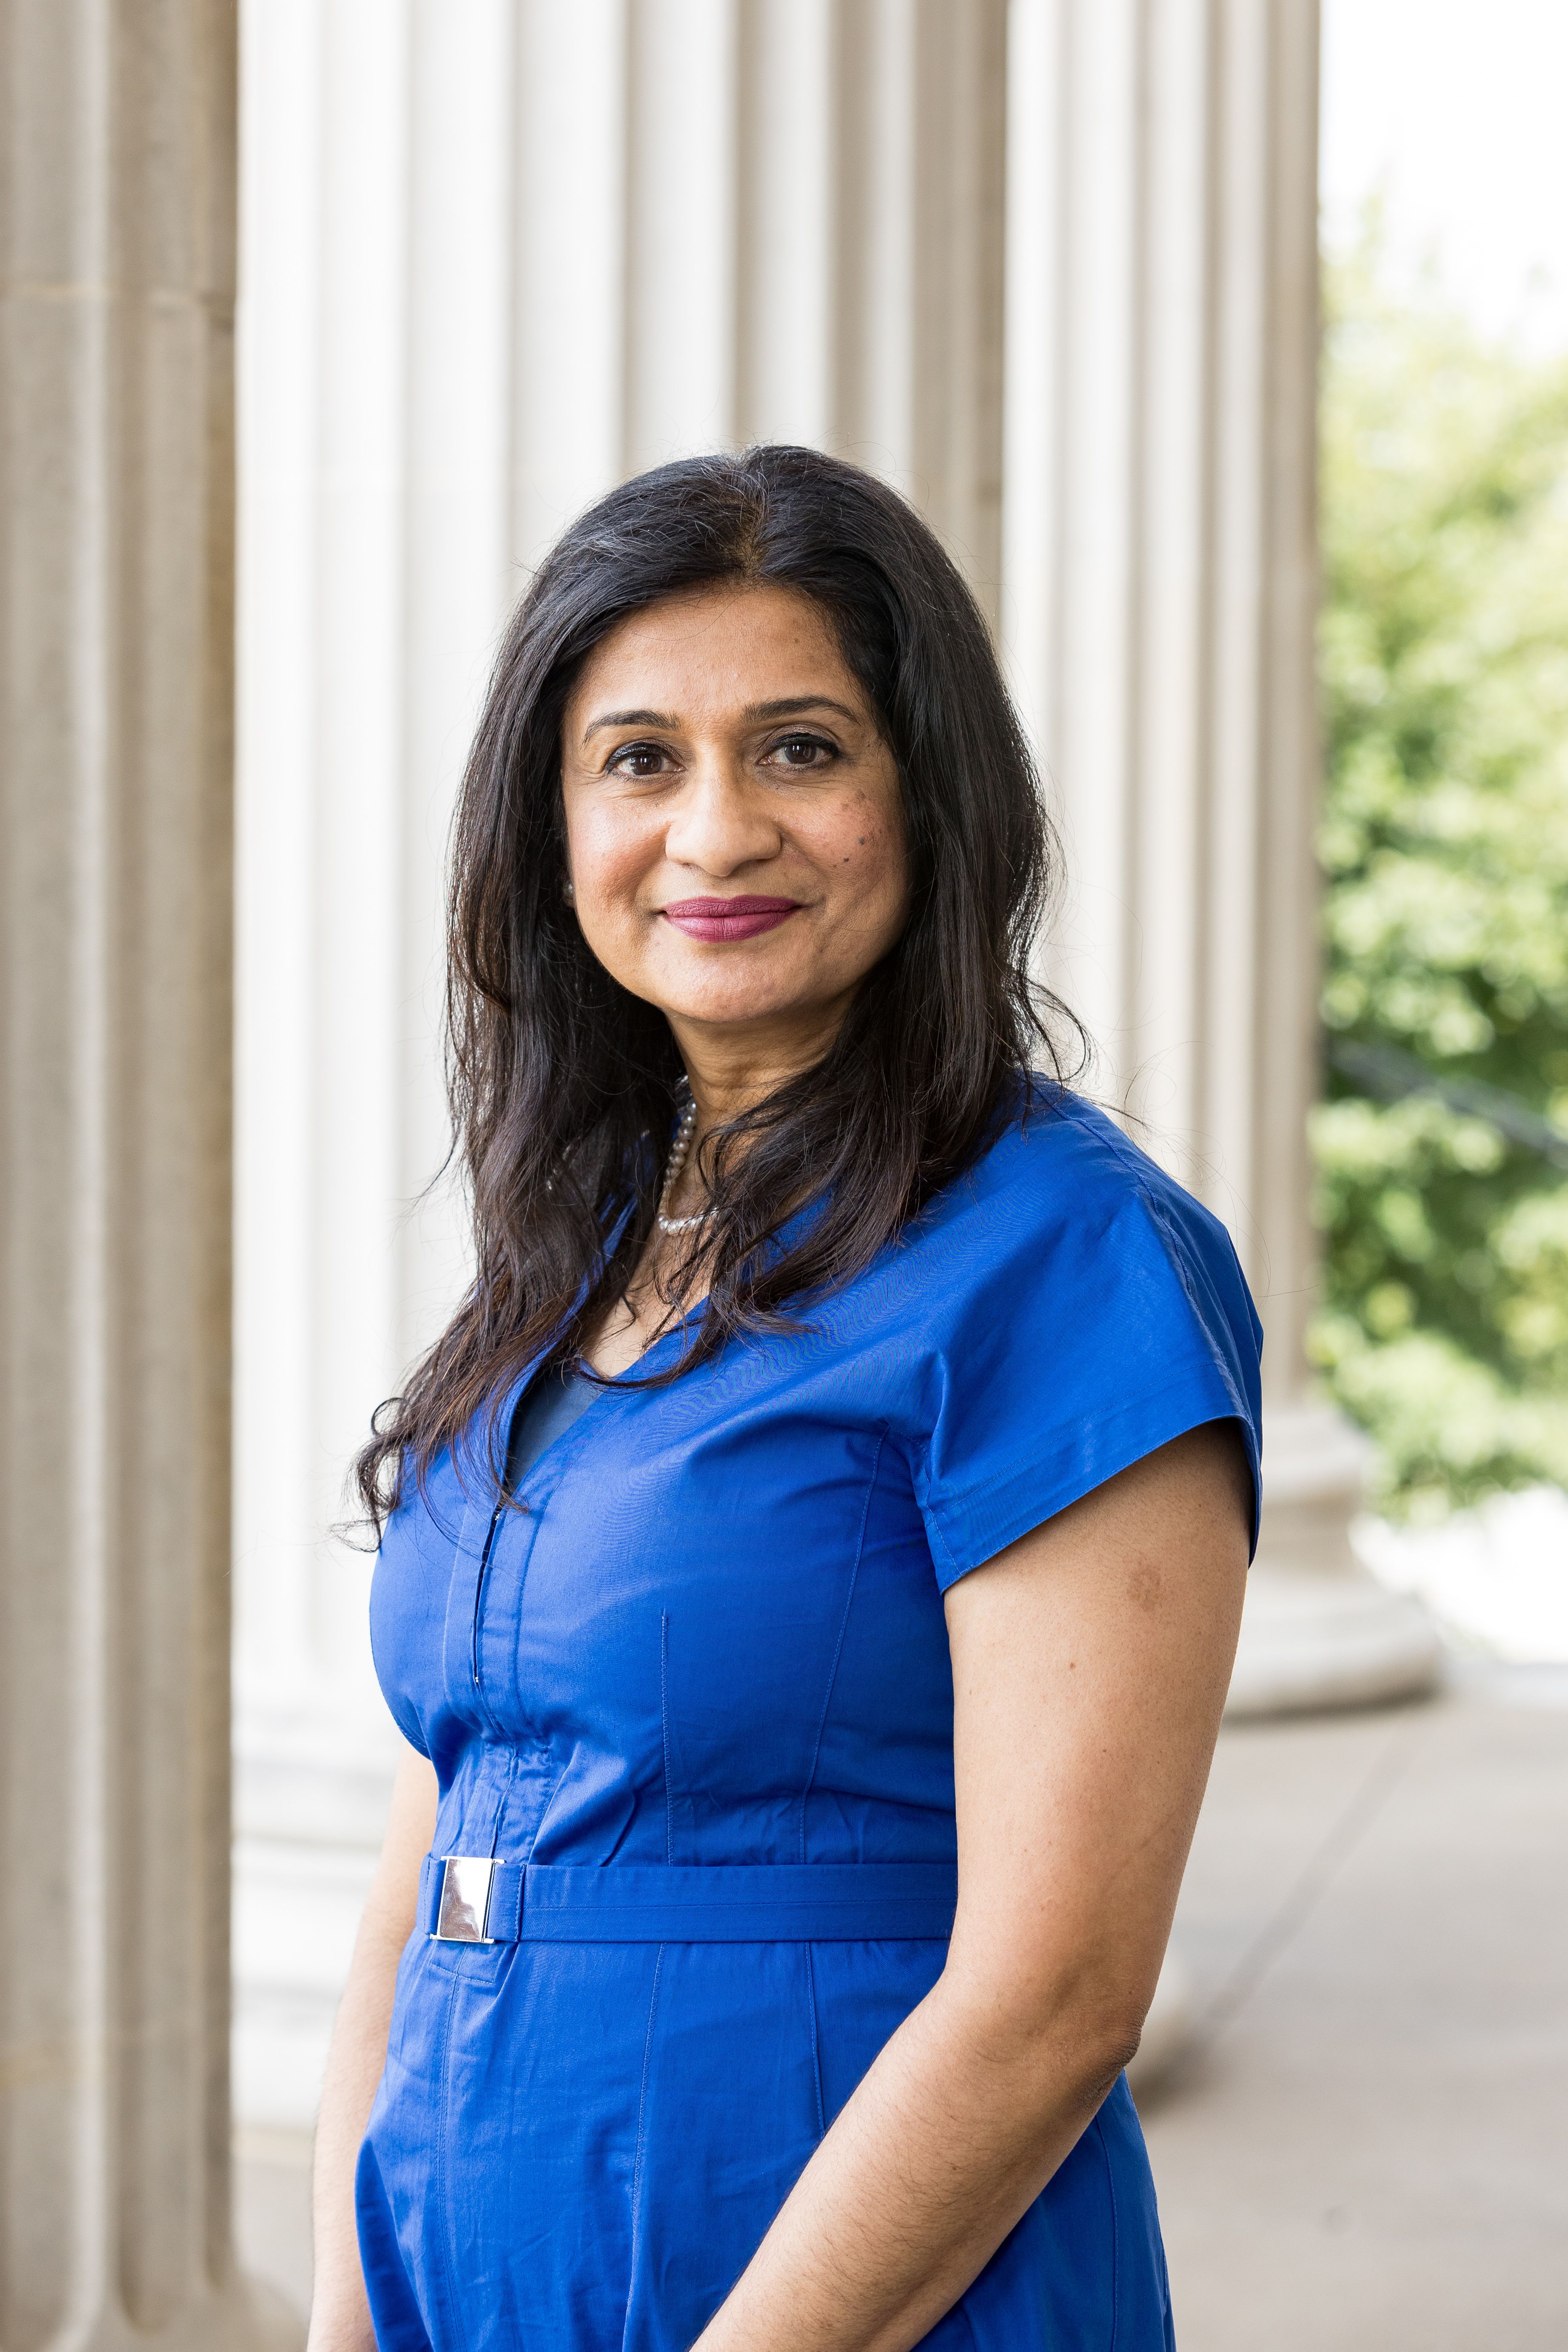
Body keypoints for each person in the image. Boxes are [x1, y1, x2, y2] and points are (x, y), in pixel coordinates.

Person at [306, 445, 1260, 2352]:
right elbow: (449, 1825)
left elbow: (1056, 1987)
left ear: (927, 796)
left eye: (802, 749)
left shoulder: (1062, 1263)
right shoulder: (576, 1258)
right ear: (551, 827)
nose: (714, 830)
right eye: (638, 758)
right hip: (484, 2265)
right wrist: (348, 2313)